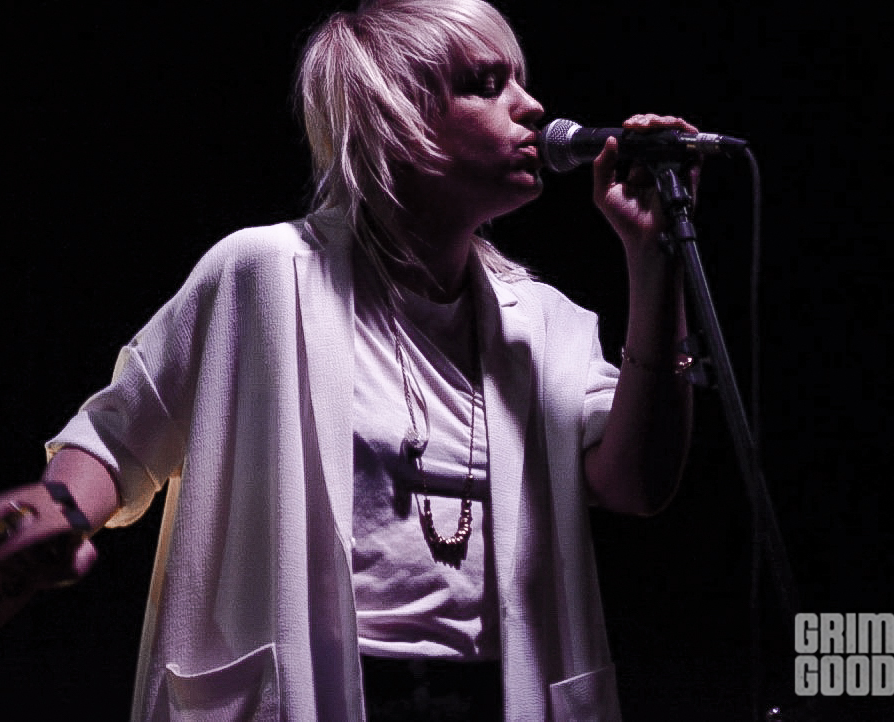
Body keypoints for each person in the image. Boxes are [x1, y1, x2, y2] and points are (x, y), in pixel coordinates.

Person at [41, 0, 695, 719]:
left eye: (519, 80)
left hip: (493, 697)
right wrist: (54, 524)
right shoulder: (262, 274)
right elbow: (114, 438)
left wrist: (654, 261)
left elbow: (636, 483)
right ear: (399, 117)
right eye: (486, 84)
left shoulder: (543, 324)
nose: (531, 106)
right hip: (319, 696)